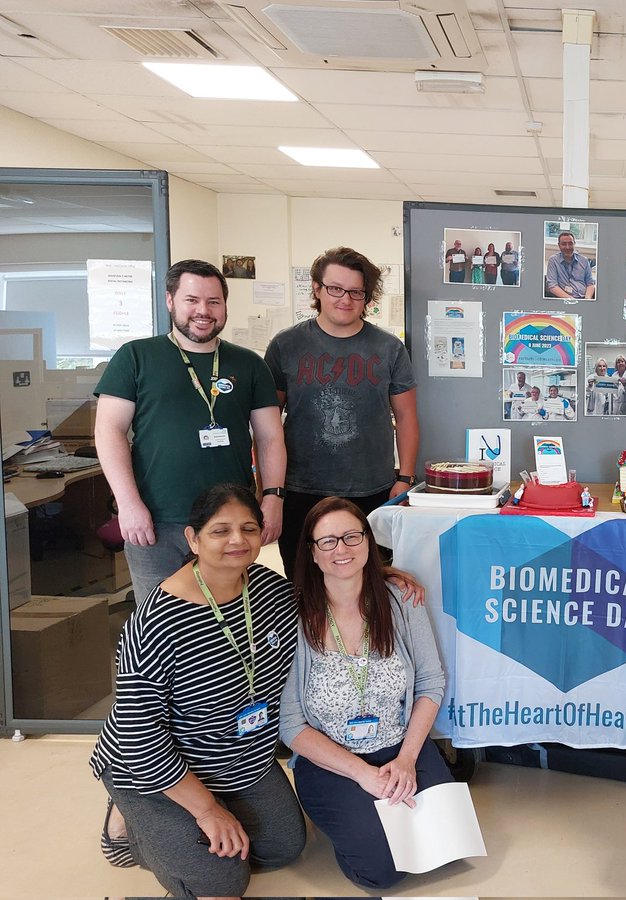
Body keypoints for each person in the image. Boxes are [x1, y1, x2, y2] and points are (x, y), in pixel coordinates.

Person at [92, 484, 305, 896]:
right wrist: (206, 810)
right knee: (222, 881)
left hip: (239, 755)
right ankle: (128, 820)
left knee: (283, 848)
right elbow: (140, 736)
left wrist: (387, 578)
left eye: (248, 528)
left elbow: (332, 598)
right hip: (155, 767)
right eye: (220, 530)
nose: (237, 541)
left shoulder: (272, 591)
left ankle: (195, 821)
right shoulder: (155, 621)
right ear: (193, 539)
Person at [280, 498, 453, 891]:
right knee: (382, 872)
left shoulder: (400, 599)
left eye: (351, 536)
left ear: (368, 542)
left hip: (400, 747)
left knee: (442, 846)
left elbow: (430, 682)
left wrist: (407, 760)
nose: (341, 549)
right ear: (312, 552)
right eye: (327, 541)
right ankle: (357, 817)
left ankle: (376, 811)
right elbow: (291, 725)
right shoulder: (294, 615)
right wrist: (364, 776)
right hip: (331, 760)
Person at [95, 259, 286, 604]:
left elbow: (270, 436)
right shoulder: (136, 357)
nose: (204, 311)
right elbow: (109, 431)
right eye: (192, 300)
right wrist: (127, 503)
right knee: (159, 623)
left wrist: (273, 497)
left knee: (227, 614)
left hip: (230, 524)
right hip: (157, 519)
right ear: (170, 300)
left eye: (214, 302)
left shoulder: (249, 364)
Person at [265, 247, 419, 579]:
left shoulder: (389, 348)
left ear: (367, 297)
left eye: (355, 292)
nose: (345, 299)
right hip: (300, 490)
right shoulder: (286, 345)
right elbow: (267, 424)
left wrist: (405, 479)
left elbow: (406, 417)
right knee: (303, 587)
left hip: (372, 491)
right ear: (317, 289)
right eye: (335, 288)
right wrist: (269, 490)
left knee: (369, 588)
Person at [545, 231, 595, 299]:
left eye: (570, 243)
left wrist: (587, 299)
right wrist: (572, 300)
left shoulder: (584, 261)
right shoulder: (553, 261)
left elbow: (590, 284)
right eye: (564, 244)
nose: (567, 247)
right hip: (564, 300)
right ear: (559, 245)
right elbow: (552, 286)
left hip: (584, 298)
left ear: (574, 244)